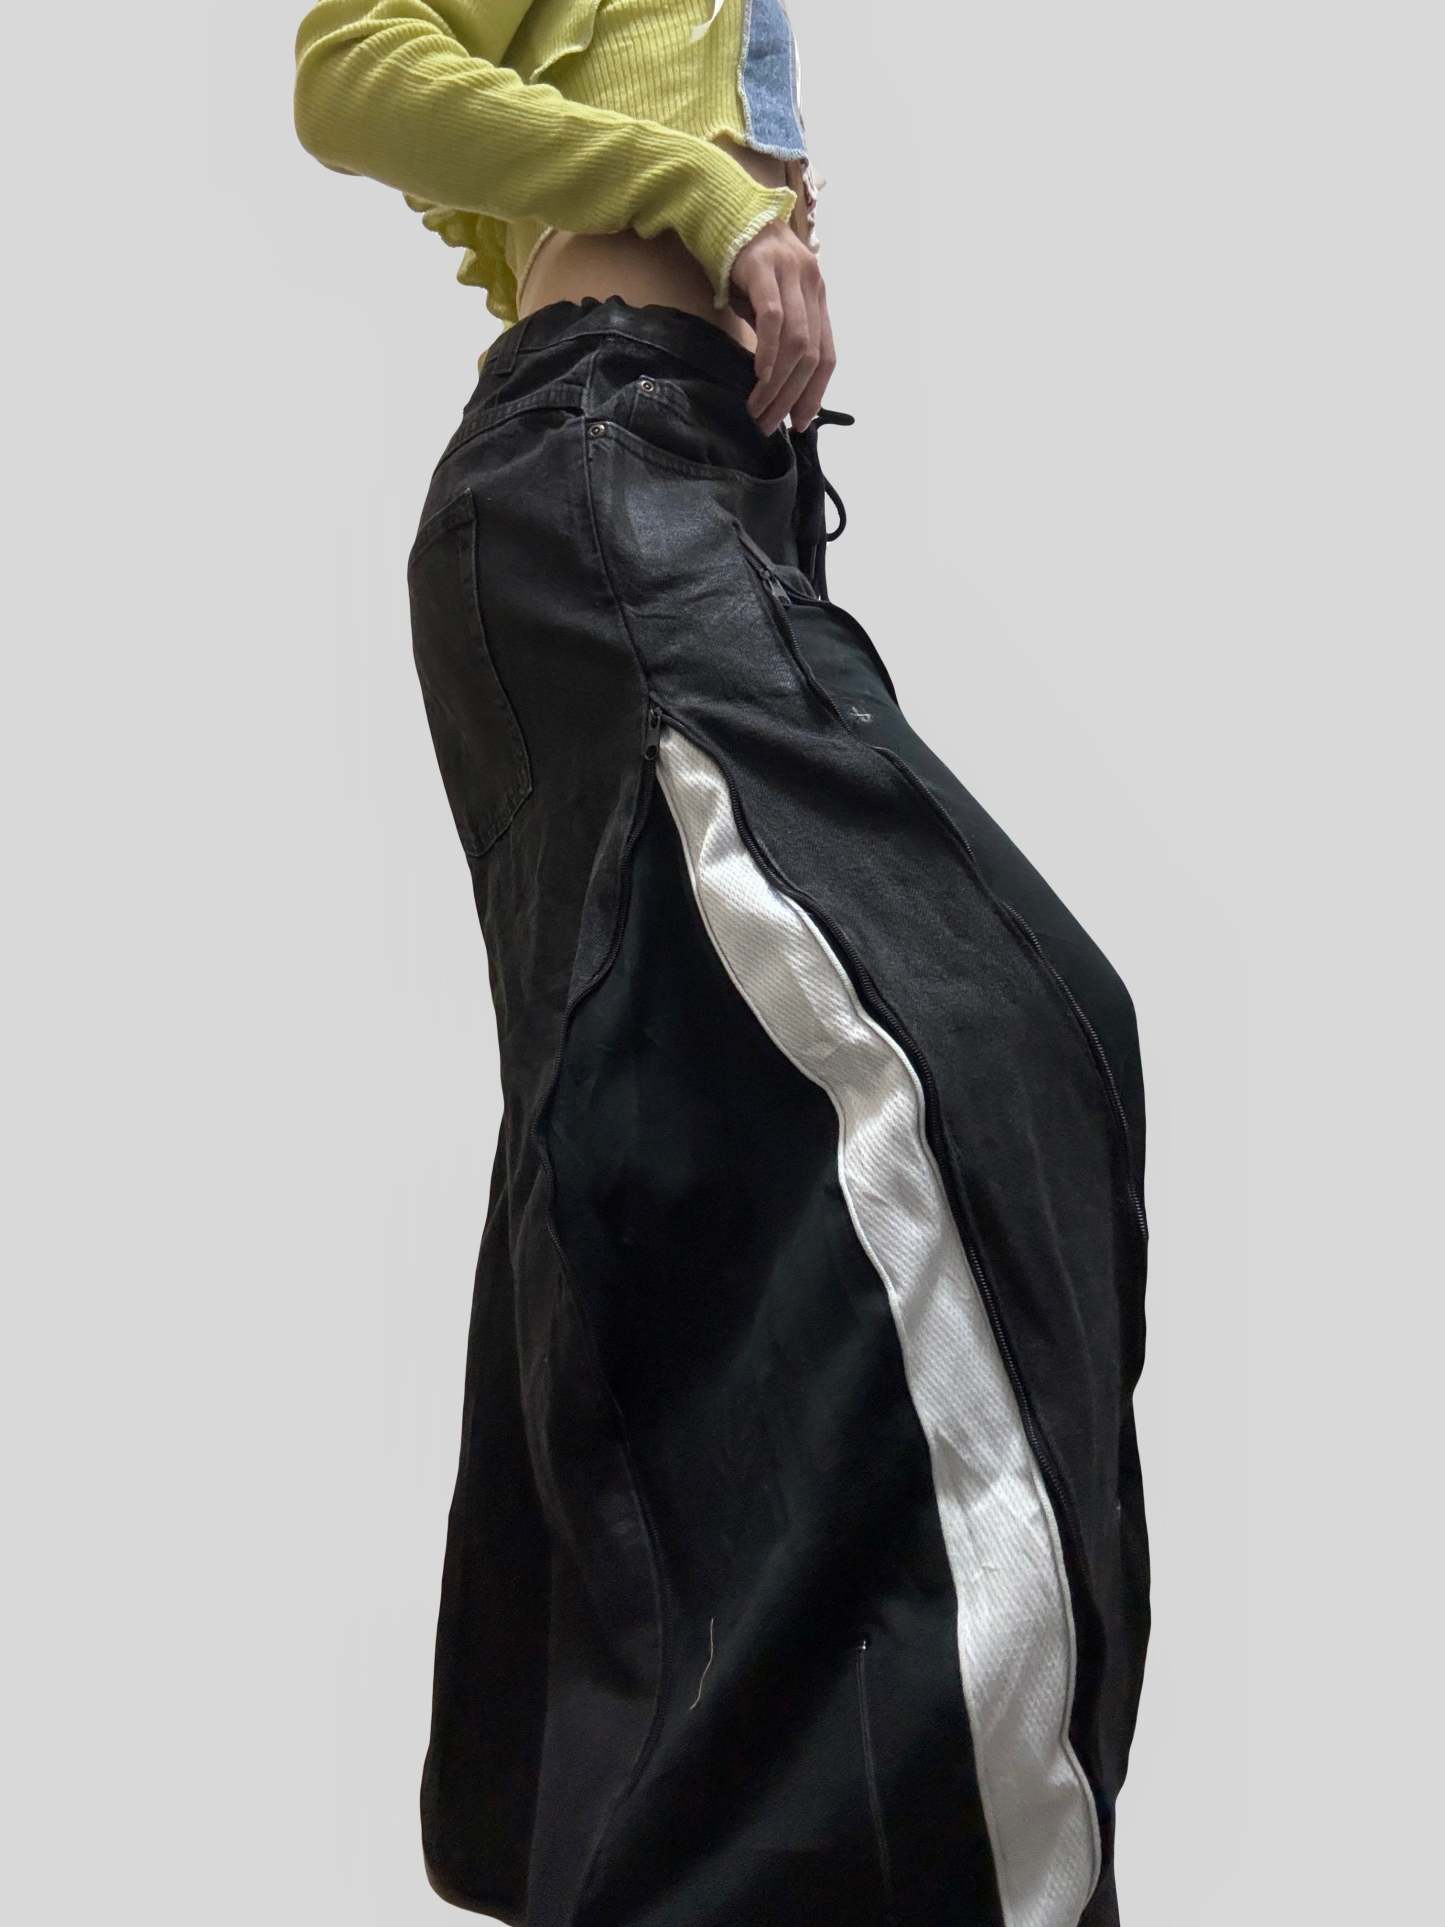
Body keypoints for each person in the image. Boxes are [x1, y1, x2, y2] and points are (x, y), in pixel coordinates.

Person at [292, 6, 1153, 1924]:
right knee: (988, 1038)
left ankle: (600, 1814)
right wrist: (704, 191)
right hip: (598, 459)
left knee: (667, 1147)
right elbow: (347, 67)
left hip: (693, 489)